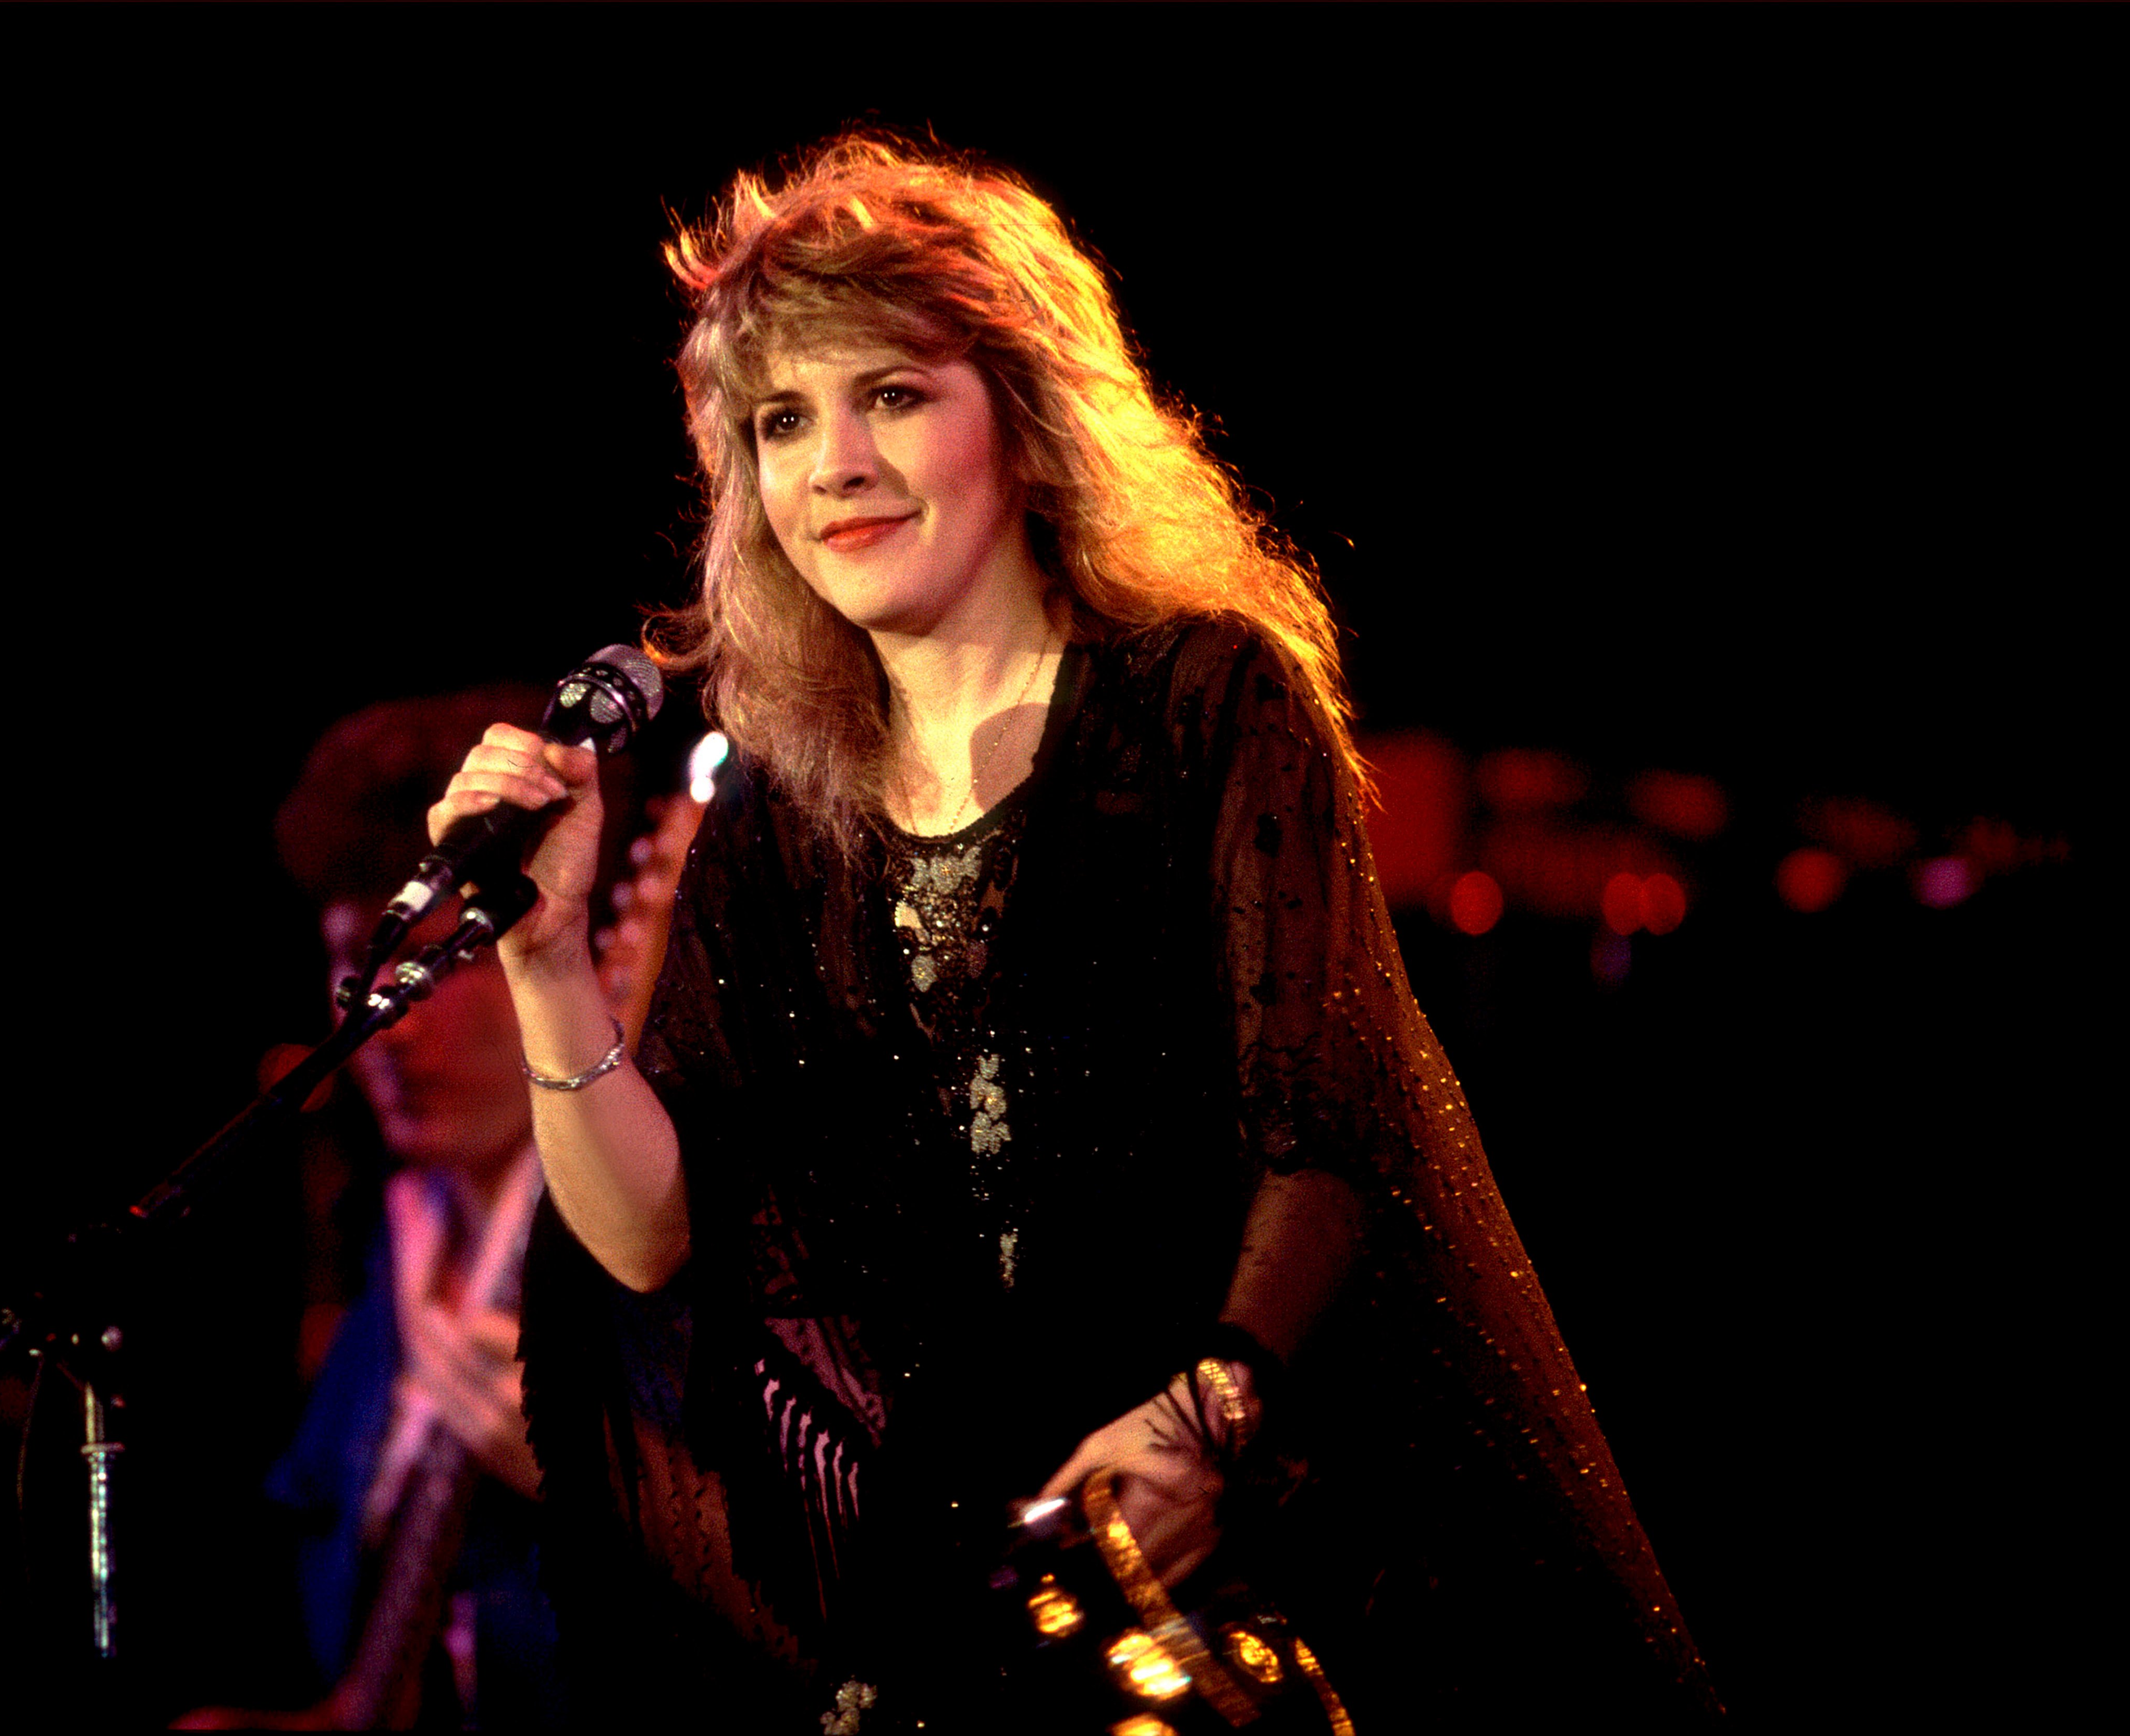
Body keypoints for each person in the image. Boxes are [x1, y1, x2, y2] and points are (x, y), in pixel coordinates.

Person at [436, 137, 1722, 1731]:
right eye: (783, 422)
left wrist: (1210, 1413)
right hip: (982, 1597)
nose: (832, 463)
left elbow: (1326, 1118)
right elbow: (647, 1239)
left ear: (1027, 421)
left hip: (1268, 1562)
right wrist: (546, 961)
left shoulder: (1204, 701)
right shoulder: (778, 813)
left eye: (892, 394)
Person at [181, 688, 696, 1732]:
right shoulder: (386, 1252)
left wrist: (611, 1490)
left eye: (445, 964)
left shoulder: (667, 1234)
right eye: (363, 959)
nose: (389, 1019)